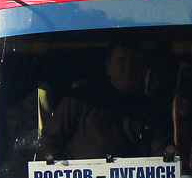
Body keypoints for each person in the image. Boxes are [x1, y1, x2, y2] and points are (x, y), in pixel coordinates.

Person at [40, 43, 173, 160]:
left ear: (143, 68)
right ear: (108, 67)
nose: (128, 67)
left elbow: (162, 155)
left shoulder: (153, 109)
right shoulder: (81, 98)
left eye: (134, 61)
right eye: (121, 60)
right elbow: (50, 140)